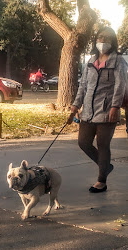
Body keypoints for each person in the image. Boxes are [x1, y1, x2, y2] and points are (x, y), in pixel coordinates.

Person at [67, 27, 128, 193]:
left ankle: (101, 180)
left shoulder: (118, 61)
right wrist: (75, 105)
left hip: (108, 110)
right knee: (83, 142)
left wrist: (115, 107)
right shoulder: (90, 61)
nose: (103, 40)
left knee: (103, 145)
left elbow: (120, 86)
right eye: (100, 37)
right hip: (88, 110)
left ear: (113, 41)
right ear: (96, 39)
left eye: (107, 37)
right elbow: (83, 85)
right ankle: (105, 166)